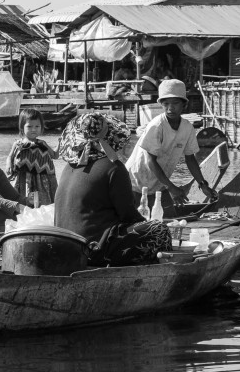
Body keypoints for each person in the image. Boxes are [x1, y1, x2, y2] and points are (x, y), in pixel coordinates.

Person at [54, 112, 171, 267]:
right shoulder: (114, 168)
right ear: (111, 137)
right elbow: (128, 214)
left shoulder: (69, 167)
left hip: (64, 246)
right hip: (94, 249)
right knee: (159, 230)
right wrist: (145, 224)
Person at [125, 79, 219, 205]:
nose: (170, 108)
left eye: (175, 103)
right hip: (135, 183)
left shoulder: (187, 128)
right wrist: (171, 187)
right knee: (139, 220)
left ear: (184, 105)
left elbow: (190, 159)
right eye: (166, 104)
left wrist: (202, 184)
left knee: (170, 220)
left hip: (159, 184)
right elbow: (150, 161)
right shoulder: (157, 125)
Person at [5, 109, 58, 207]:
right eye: (29, 126)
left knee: (41, 204)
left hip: (42, 180)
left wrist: (60, 143)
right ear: (22, 127)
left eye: (37, 126)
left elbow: (55, 155)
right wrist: (8, 164)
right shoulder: (18, 144)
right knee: (22, 202)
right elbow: (10, 156)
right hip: (23, 179)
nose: (33, 129)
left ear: (41, 127)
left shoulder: (42, 144)